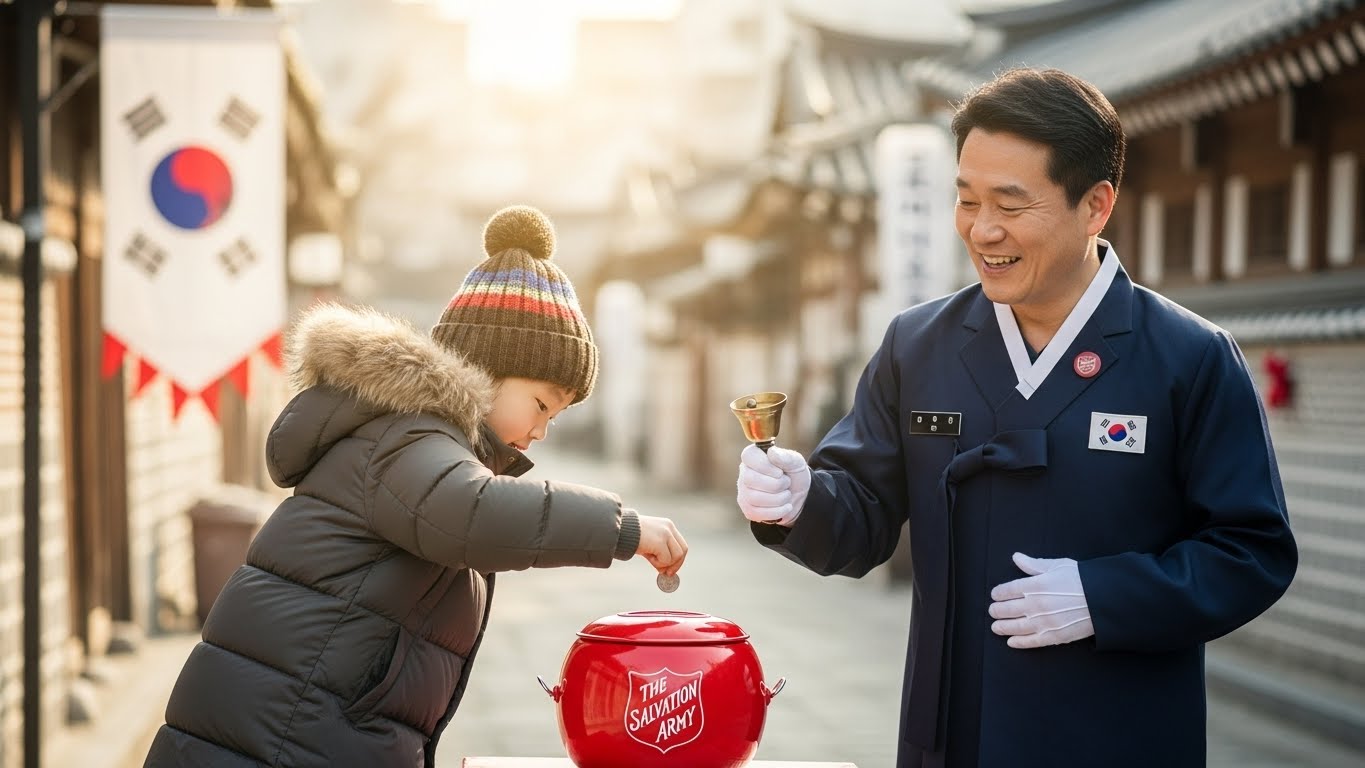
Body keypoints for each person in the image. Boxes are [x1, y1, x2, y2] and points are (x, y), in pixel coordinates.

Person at [735, 68, 1296, 768]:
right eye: (965, 200)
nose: (982, 228)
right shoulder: (918, 343)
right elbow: (863, 514)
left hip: (1120, 733)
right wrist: (798, 500)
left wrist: (1102, 596)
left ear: (1095, 206)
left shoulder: (1188, 357)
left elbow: (1250, 552)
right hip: (951, 732)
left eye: (1010, 202)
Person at [145, 205, 688, 767]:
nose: (541, 430)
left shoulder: (426, 444)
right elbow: (472, 515)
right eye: (541, 404)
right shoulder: (407, 437)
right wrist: (621, 527)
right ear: (487, 366)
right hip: (277, 737)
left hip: (303, 732)